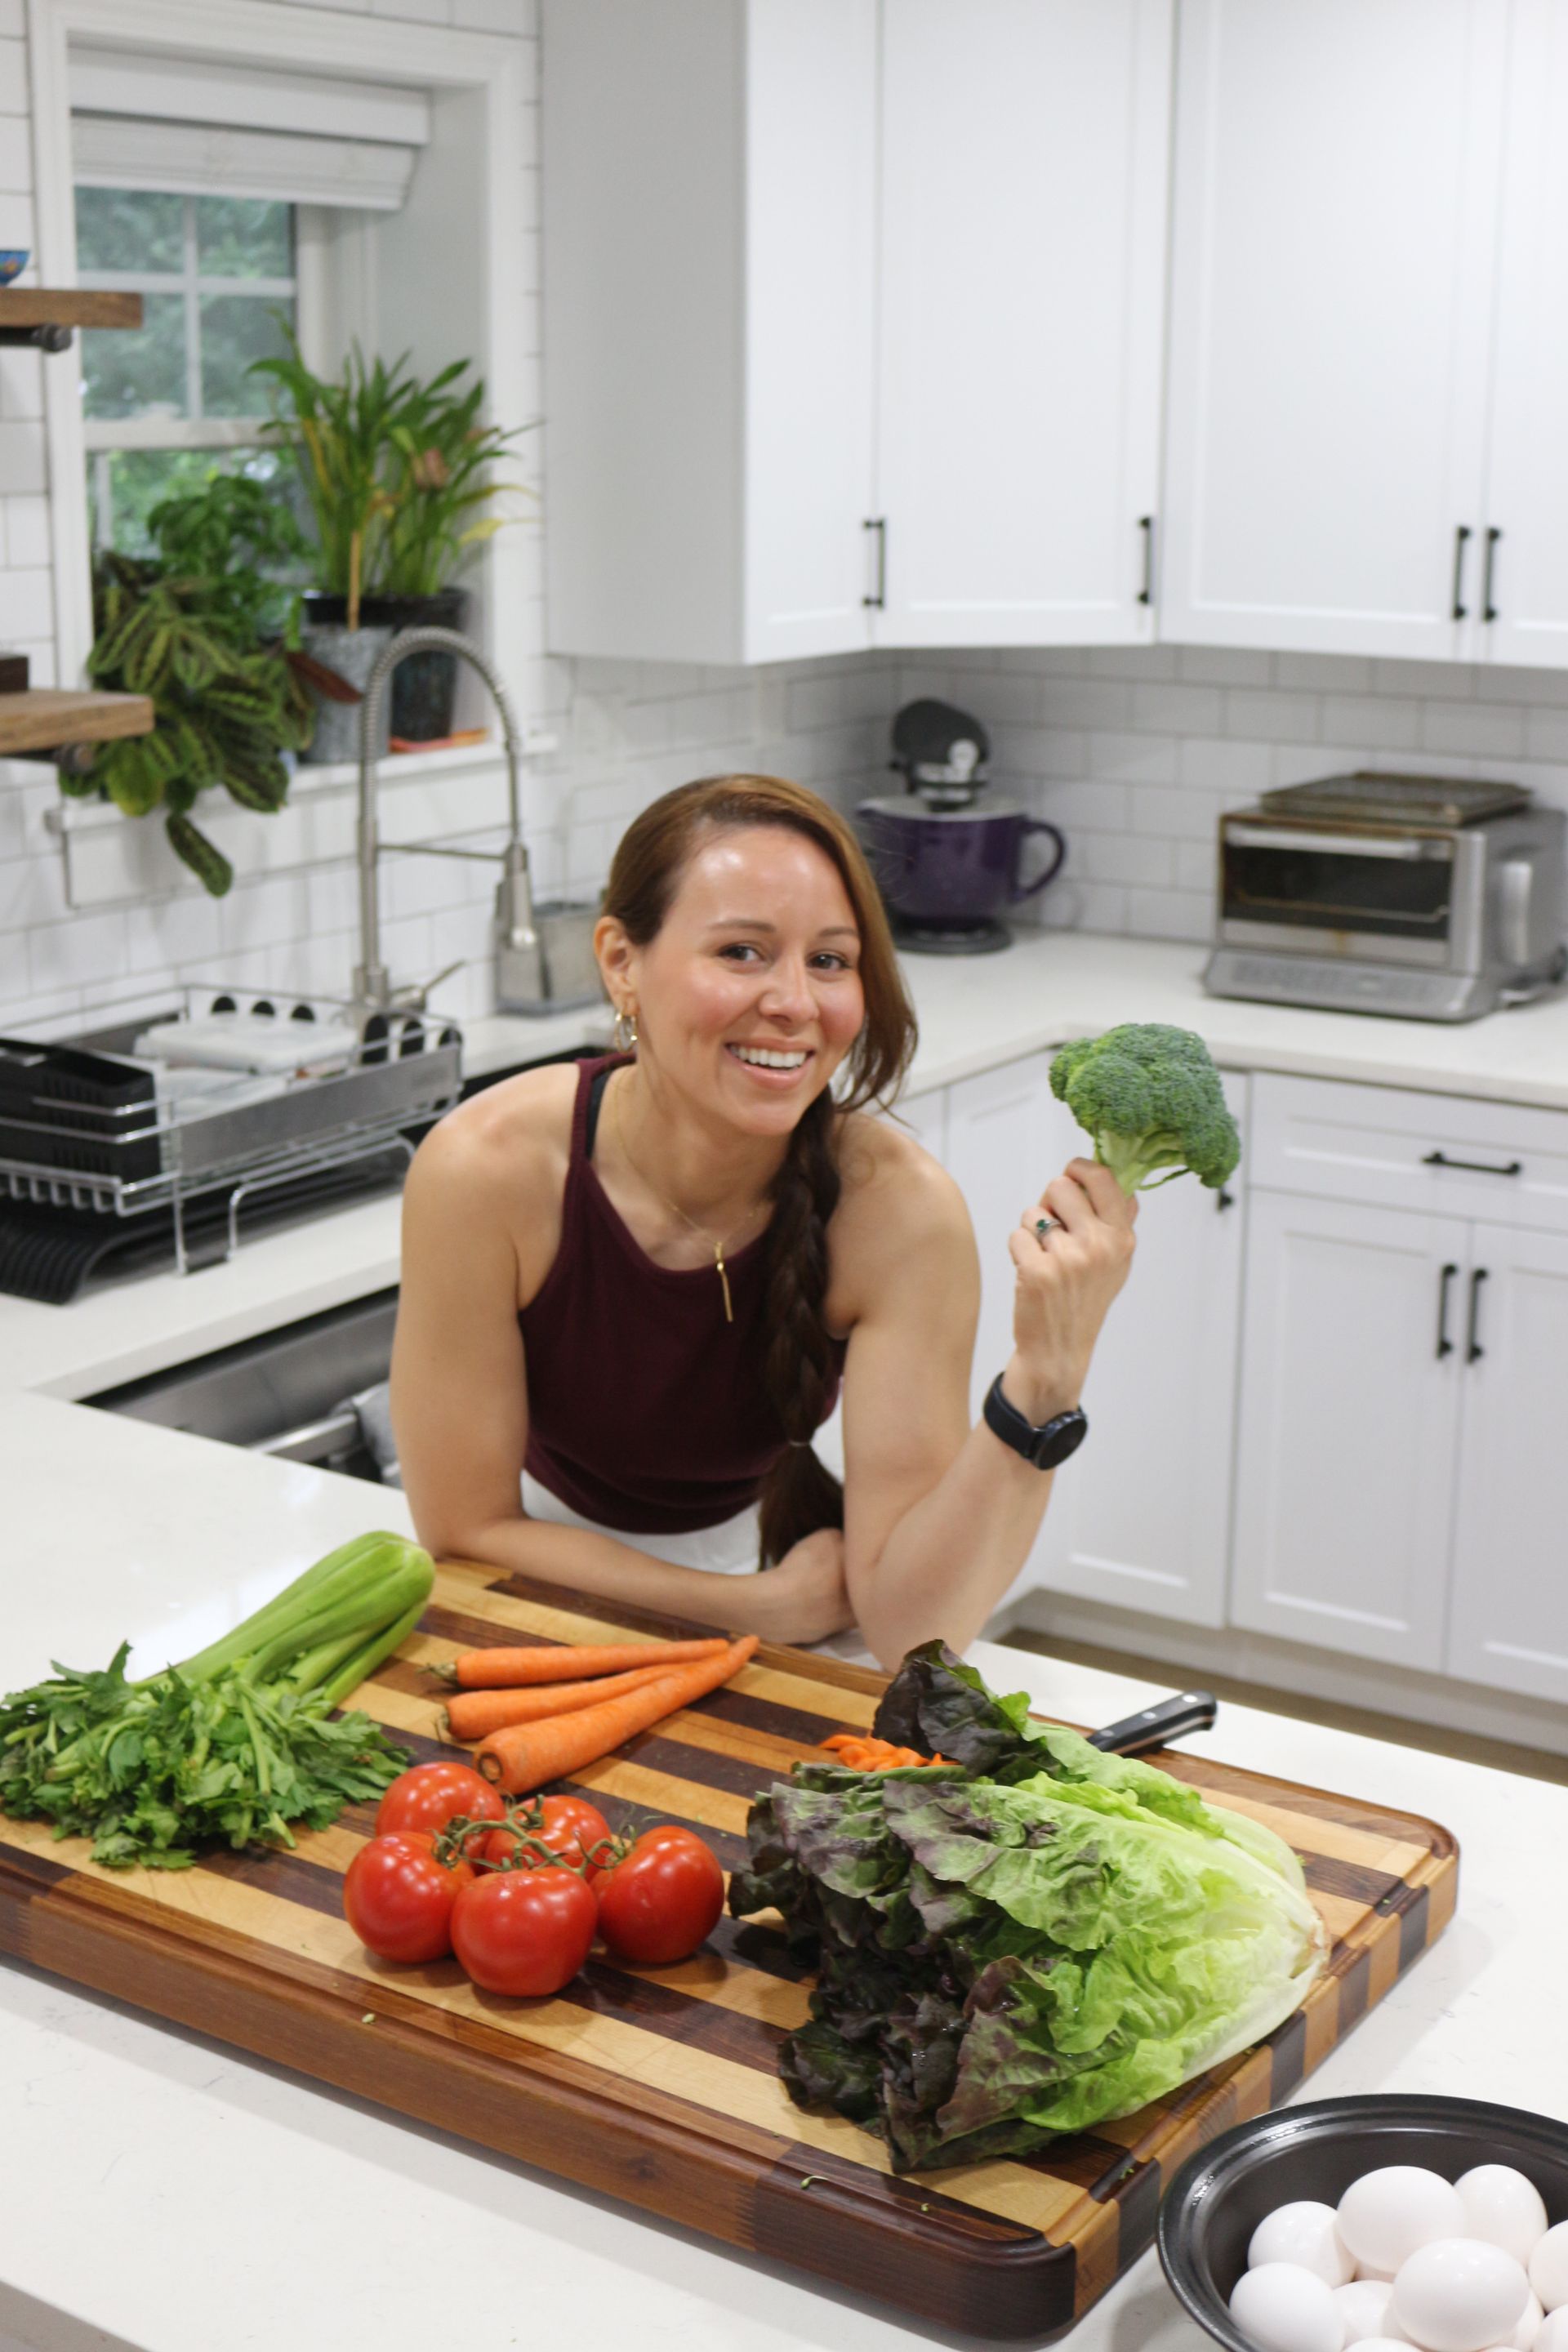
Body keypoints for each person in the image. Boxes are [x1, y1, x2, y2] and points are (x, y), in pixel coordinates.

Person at [390, 773, 1137, 1669]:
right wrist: (754, 1610)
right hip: (534, 1590)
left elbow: (911, 1631)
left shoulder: (900, 1212)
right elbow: (467, 1530)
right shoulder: (487, 1169)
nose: (795, 1003)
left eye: (829, 960)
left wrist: (1047, 1375)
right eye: (743, 952)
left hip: (772, 1601)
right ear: (622, 961)